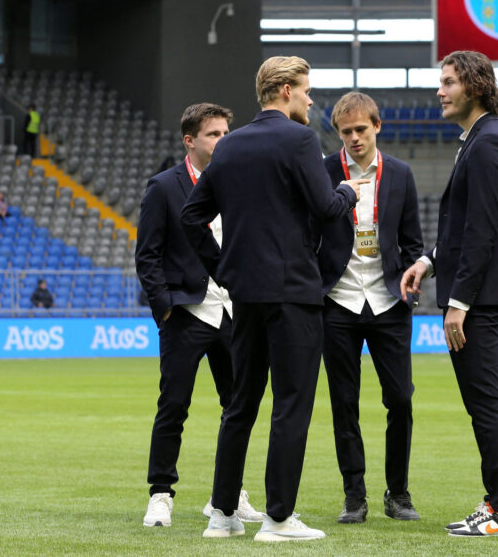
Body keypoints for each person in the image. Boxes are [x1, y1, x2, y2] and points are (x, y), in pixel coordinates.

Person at [180, 56, 367, 542]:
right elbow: (326, 208)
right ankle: (278, 518)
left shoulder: (231, 145)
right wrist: (348, 191)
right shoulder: (301, 139)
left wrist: (224, 269)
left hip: (244, 295)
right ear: (285, 90)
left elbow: (191, 217)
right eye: (306, 90)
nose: (310, 99)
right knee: (291, 404)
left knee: (240, 404)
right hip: (292, 296)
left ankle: (222, 515)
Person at [399, 50, 498, 538]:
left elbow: (482, 231)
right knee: (483, 404)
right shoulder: (479, 139)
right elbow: (462, 228)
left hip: (477, 298)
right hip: (471, 291)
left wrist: (459, 302)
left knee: (487, 404)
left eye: (449, 81)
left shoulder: (490, 142)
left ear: (474, 86)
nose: (440, 90)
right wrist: (429, 261)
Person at [135, 102, 264, 530]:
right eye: (214, 134)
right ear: (190, 140)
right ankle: (160, 495)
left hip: (233, 312)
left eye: (227, 133)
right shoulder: (163, 186)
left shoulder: (240, 184)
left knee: (238, 407)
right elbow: (147, 255)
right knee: (173, 406)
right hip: (186, 313)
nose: (223, 140)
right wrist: (165, 307)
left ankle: (228, 496)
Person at [317, 91, 424, 525]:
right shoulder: (323, 171)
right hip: (338, 301)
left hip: (388, 302)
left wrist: (413, 281)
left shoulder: (401, 174)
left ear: (377, 126)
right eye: (346, 132)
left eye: (362, 129)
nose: (355, 138)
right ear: (338, 133)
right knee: (344, 403)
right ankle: (354, 496)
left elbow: (413, 240)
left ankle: (397, 493)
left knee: (400, 399)